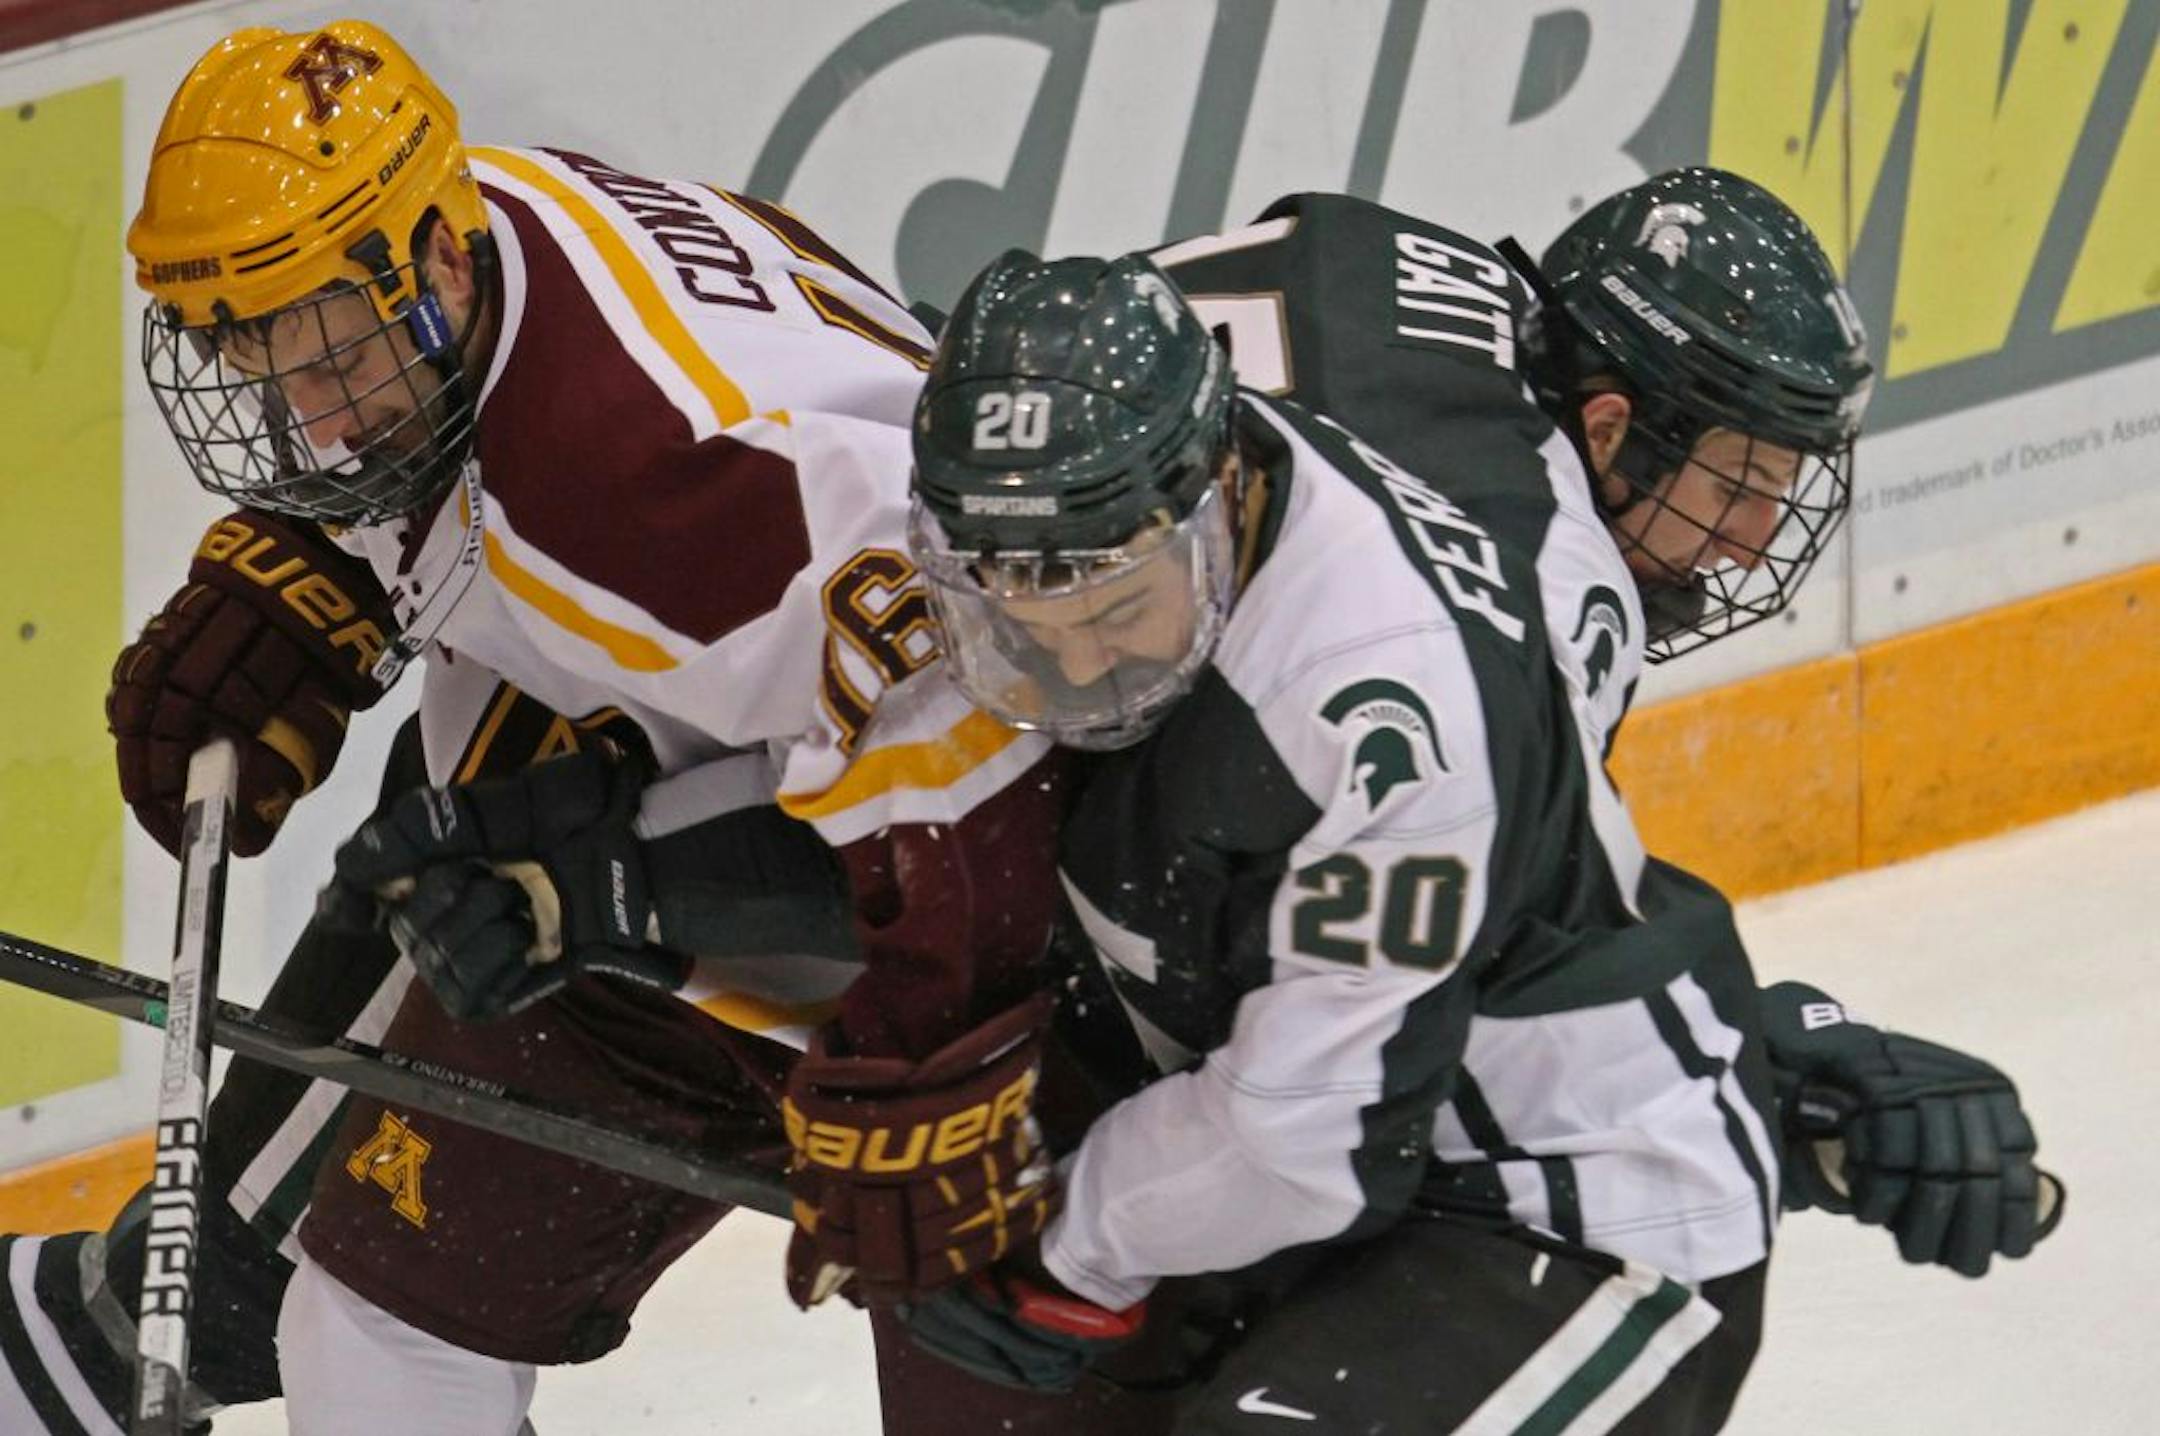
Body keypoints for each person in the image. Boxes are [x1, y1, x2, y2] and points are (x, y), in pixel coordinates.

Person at [0, 20, 1069, 1435]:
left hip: (986, 966)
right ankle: (114, 1329)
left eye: (330, 366)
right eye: (266, 371)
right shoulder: (483, 230)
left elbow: (1008, 780)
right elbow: (460, 485)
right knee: (370, 1338)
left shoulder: (686, 481)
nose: (308, 428)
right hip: (649, 893)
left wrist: (645, 886)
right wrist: (334, 563)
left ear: (435, 263)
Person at [869, 184, 2049, 1432]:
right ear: (1610, 424)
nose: (1751, 538)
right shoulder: (1508, 582)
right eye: (1738, 478)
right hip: (1282, 1145)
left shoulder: (1362, 275)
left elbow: (1447, 957)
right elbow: (1480, 925)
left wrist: (1780, 1045)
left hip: (1453, 1184)